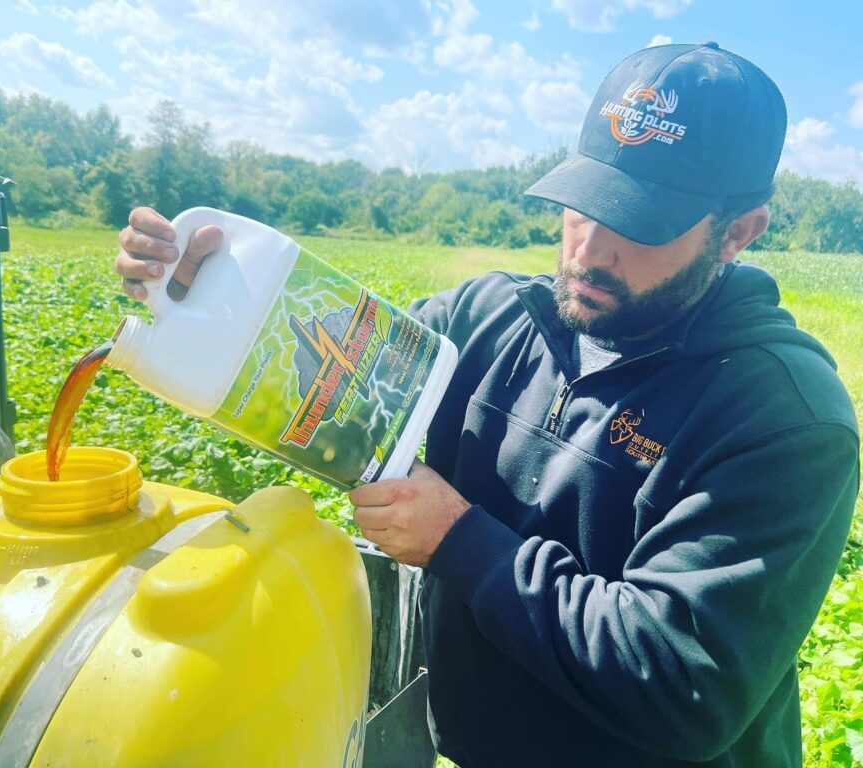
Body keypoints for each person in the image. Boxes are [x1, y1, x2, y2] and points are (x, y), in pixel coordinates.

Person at [115, 43, 859, 768]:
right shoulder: (487, 317)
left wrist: (459, 541)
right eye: (583, 206)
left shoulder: (783, 416)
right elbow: (325, 370)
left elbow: (683, 681)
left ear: (737, 234)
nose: (589, 249)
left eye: (639, 223)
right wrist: (208, 290)